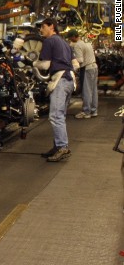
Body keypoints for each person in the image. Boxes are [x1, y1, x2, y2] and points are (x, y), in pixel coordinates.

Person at [34, 17, 75, 162]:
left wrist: (33, 63)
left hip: (61, 80)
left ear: (51, 26)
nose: (41, 30)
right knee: (60, 116)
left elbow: (45, 66)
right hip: (69, 80)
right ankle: (57, 146)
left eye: (43, 27)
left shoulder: (50, 41)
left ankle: (62, 147)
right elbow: (75, 63)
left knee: (55, 116)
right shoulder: (64, 42)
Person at [67, 29, 98, 118]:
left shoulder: (77, 45)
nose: (70, 40)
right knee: (93, 90)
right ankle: (94, 111)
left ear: (73, 37)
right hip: (94, 67)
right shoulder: (87, 42)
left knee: (86, 91)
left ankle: (86, 112)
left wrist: (71, 62)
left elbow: (80, 60)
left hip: (87, 68)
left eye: (70, 38)